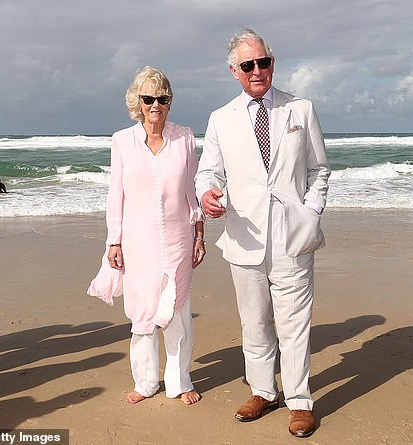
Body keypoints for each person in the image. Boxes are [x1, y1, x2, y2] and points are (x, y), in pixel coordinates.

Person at [195, 29, 331, 438]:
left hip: (294, 237)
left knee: (294, 324)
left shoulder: (301, 109)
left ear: (273, 63)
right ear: (234, 71)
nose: (259, 71)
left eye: (264, 62)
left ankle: (300, 401)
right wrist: (207, 195)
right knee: (254, 323)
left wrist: (310, 212)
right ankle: (262, 391)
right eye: (249, 65)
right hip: (244, 237)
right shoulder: (221, 119)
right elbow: (208, 172)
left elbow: (319, 170)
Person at [87, 66, 205, 406]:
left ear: (170, 102)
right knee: (142, 313)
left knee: (177, 310)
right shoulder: (122, 141)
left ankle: (180, 381)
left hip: (179, 238)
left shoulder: (184, 138)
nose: (156, 105)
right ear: (138, 102)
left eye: (163, 99)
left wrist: (199, 234)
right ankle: (146, 381)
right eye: (149, 98)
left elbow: (192, 189)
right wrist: (114, 240)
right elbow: (116, 195)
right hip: (138, 242)